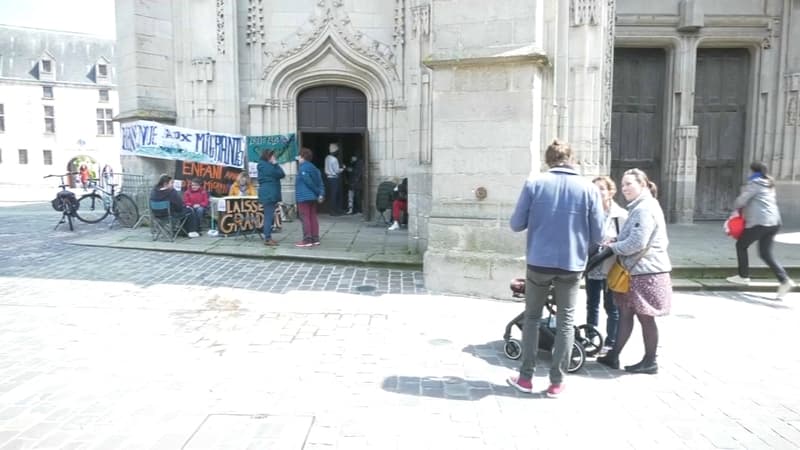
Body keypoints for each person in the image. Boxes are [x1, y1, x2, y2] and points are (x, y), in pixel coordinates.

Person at [506, 139, 604, 398]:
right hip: (571, 263)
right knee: (566, 322)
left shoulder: (535, 183)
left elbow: (516, 224)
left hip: (539, 261)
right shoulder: (589, 188)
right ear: (571, 159)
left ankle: (525, 378)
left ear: (548, 160)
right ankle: (556, 382)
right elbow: (599, 235)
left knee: (532, 318)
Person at [597, 169, 671, 374]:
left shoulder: (644, 208)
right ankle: (613, 355)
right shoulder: (641, 206)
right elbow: (633, 237)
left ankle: (650, 361)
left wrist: (613, 247)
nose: (625, 188)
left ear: (643, 184)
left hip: (646, 272)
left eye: (629, 184)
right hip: (638, 271)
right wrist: (617, 240)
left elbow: (638, 242)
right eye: (623, 185)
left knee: (645, 317)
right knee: (626, 313)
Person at [726, 161, 796, 298]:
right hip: (774, 222)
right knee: (765, 253)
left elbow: (741, 201)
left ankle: (743, 276)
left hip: (760, 223)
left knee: (741, 245)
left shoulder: (755, 183)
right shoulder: (769, 184)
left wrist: (737, 206)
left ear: (753, 171)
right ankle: (785, 280)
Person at [585, 176, 628, 353]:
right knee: (592, 304)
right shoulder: (588, 212)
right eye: (594, 189)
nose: (598, 192)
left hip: (612, 267)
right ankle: (590, 338)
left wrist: (613, 242)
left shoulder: (621, 215)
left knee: (612, 307)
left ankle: (611, 342)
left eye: (602, 189)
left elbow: (627, 240)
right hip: (593, 264)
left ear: (611, 192)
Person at [150, 174, 199, 238]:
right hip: (170, 215)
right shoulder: (172, 192)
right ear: (165, 184)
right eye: (171, 183)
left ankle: (181, 230)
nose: (173, 185)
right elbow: (179, 206)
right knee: (189, 210)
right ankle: (191, 231)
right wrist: (185, 207)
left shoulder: (154, 191)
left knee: (183, 210)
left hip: (157, 215)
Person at [295, 147, 325, 247]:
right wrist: (320, 194)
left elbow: (308, 182)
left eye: (299, 156)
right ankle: (315, 238)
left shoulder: (303, 168)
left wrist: (317, 192)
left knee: (305, 217)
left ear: (302, 157)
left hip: (304, 197)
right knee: (313, 217)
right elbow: (320, 182)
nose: (298, 158)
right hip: (313, 197)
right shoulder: (315, 168)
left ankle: (307, 240)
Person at [257, 150, 286, 247]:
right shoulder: (269, 167)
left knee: (268, 215)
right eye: (273, 156)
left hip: (265, 192)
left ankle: (268, 236)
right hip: (270, 193)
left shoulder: (262, 165)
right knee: (269, 216)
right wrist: (276, 164)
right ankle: (267, 238)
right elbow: (282, 174)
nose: (275, 158)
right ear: (269, 157)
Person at [324, 143, 345, 215]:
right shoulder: (334, 159)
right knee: (335, 195)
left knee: (331, 194)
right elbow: (337, 171)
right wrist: (343, 168)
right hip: (334, 178)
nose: (338, 152)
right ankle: (333, 211)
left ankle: (332, 210)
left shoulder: (327, 157)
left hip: (328, 178)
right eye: (337, 151)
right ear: (335, 151)